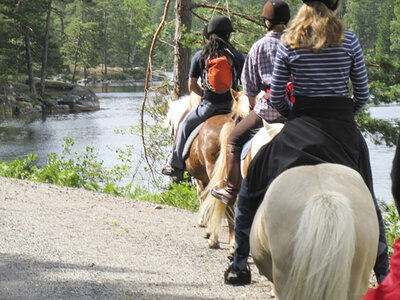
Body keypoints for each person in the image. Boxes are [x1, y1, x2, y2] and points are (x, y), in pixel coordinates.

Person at [224, 0, 390, 286]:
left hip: (300, 125)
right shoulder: (349, 39)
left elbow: (275, 98)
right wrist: (342, 116)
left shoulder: (291, 40)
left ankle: (239, 263)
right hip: (342, 129)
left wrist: (295, 115)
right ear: (335, 5)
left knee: (251, 186)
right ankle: (383, 270)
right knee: (368, 197)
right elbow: (362, 94)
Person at [211, 0, 290, 207]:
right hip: (296, 111)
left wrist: (257, 106)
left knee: (234, 140)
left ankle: (230, 188)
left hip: (268, 110)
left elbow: (250, 88)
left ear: (267, 23)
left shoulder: (259, 47)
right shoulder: (299, 45)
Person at [162, 15, 245, 179]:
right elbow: (246, 84)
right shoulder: (237, 56)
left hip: (208, 107)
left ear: (210, 35)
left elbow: (191, 86)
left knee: (184, 126)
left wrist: (205, 96)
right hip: (231, 106)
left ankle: (174, 164)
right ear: (228, 35)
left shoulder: (201, 56)